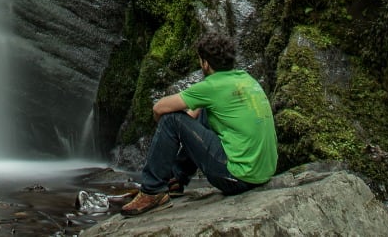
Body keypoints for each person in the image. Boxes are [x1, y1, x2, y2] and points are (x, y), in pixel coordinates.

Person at [119, 32, 278, 216]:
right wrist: (188, 128)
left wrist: (168, 130)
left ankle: (152, 191)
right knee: (203, 111)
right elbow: (196, 115)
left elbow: (158, 109)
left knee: (171, 119)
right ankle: (177, 180)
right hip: (264, 172)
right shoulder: (246, 79)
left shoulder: (211, 87)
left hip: (238, 177)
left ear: (205, 63)